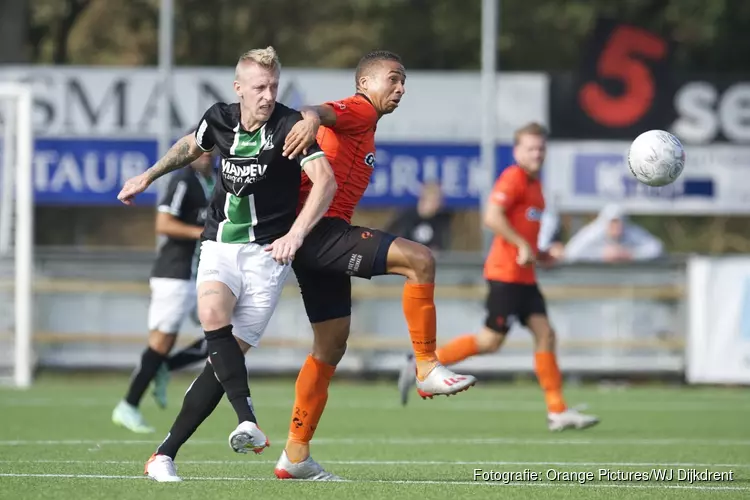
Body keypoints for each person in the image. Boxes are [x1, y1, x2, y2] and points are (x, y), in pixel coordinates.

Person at [140, 50, 476, 483]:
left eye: (404, 81)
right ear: (365, 84)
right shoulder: (357, 109)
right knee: (420, 260)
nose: (400, 88)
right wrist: (313, 119)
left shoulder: (366, 124)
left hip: (302, 239)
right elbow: (316, 113)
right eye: (393, 79)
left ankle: (294, 455)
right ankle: (427, 366)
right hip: (314, 234)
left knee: (327, 347)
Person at [116, 46, 337, 482]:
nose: (268, 95)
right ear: (239, 89)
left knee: (223, 361)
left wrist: (296, 234)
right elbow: (188, 145)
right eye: (259, 87)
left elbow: (325, 182)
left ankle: (163, 454)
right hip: (219, 243)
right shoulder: (219, 117)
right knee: (212, 314)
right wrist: (147, 176)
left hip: (268, 255)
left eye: (273, 86)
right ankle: (245, 416)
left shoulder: (291, 126)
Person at [397, 123, 599, 432]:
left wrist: (542, 254)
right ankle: (421, 364)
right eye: (531, 148)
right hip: (505, 275)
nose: (537, 153)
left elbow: (526, 238)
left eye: (541, 148)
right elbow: (492, 217)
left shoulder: (536, 186)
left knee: (545, 334)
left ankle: (557, 410)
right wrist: (520, 244)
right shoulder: (513, 178)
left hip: (526, 277)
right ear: (517, 152)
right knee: (489, 341)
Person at [112, 145, 216, 433]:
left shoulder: (218, 179)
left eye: (210, 150)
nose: (205, 155)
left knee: (223, 334)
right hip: (174, 274)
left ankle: (163, 367)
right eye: (201, 150)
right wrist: (204, 233)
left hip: (202, 274)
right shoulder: (182, 180)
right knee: (160, 343)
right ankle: (128, 405)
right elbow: (163, 223)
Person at [563, 203, 664, 263]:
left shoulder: (629, 231)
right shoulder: (594, 232)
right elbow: (571, 252)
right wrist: (602, 254)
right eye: (613, 222)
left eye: (619, 222)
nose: (617, 227)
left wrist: (629, 254)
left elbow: (656, 248)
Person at [385, 181, 453, 251]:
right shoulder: (407, 216)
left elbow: (441, 244)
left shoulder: (441, 219)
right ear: (424, 199)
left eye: (439, 201)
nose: (438, 204)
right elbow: (389, 235)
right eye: (434, 200)